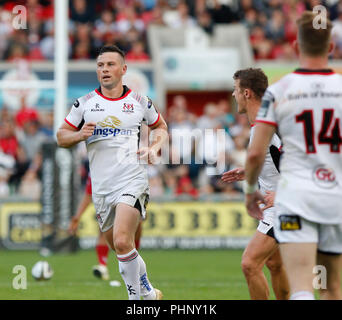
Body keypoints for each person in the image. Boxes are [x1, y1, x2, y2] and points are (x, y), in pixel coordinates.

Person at [57, 44, 168, 300]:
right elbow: (61, 136)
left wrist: (154, 146)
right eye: (100, 65)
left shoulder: (140, 102)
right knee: (121, 248)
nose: (104, 69)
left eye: (110, 64)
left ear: (123, 69)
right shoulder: (84, 104)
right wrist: (78, 134)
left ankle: (135, 300)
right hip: (102, 188)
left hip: (132, 179)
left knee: (121, 240)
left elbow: (160, 126)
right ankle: (149, 293)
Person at [244, 11, 342, 300]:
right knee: (330, 287)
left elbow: (255, 154)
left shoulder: (279, 91)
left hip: (295, 197)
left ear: (296, 47)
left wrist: (250, 191)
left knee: (301, 286)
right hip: (333, 197)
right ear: (332, 47)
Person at [222, 68, 289, 300]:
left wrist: (281, 196)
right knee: (274, 263)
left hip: (283, 207)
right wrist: (250, 171)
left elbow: (301, 166)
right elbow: (274, 159)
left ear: (247, 93)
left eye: (235, 90)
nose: (233, 95)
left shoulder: (269, 125)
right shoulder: (261, 125)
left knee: (250, 263)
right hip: (279, 205)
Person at [68, 174, 143, 281]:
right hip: (107, 200)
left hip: (128, 196)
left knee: (136, 227)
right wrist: (77, 217)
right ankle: (102, 266)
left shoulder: (123, 162)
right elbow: (89, 194)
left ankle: (133, 263)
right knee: (104, 230)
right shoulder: (96, 168)